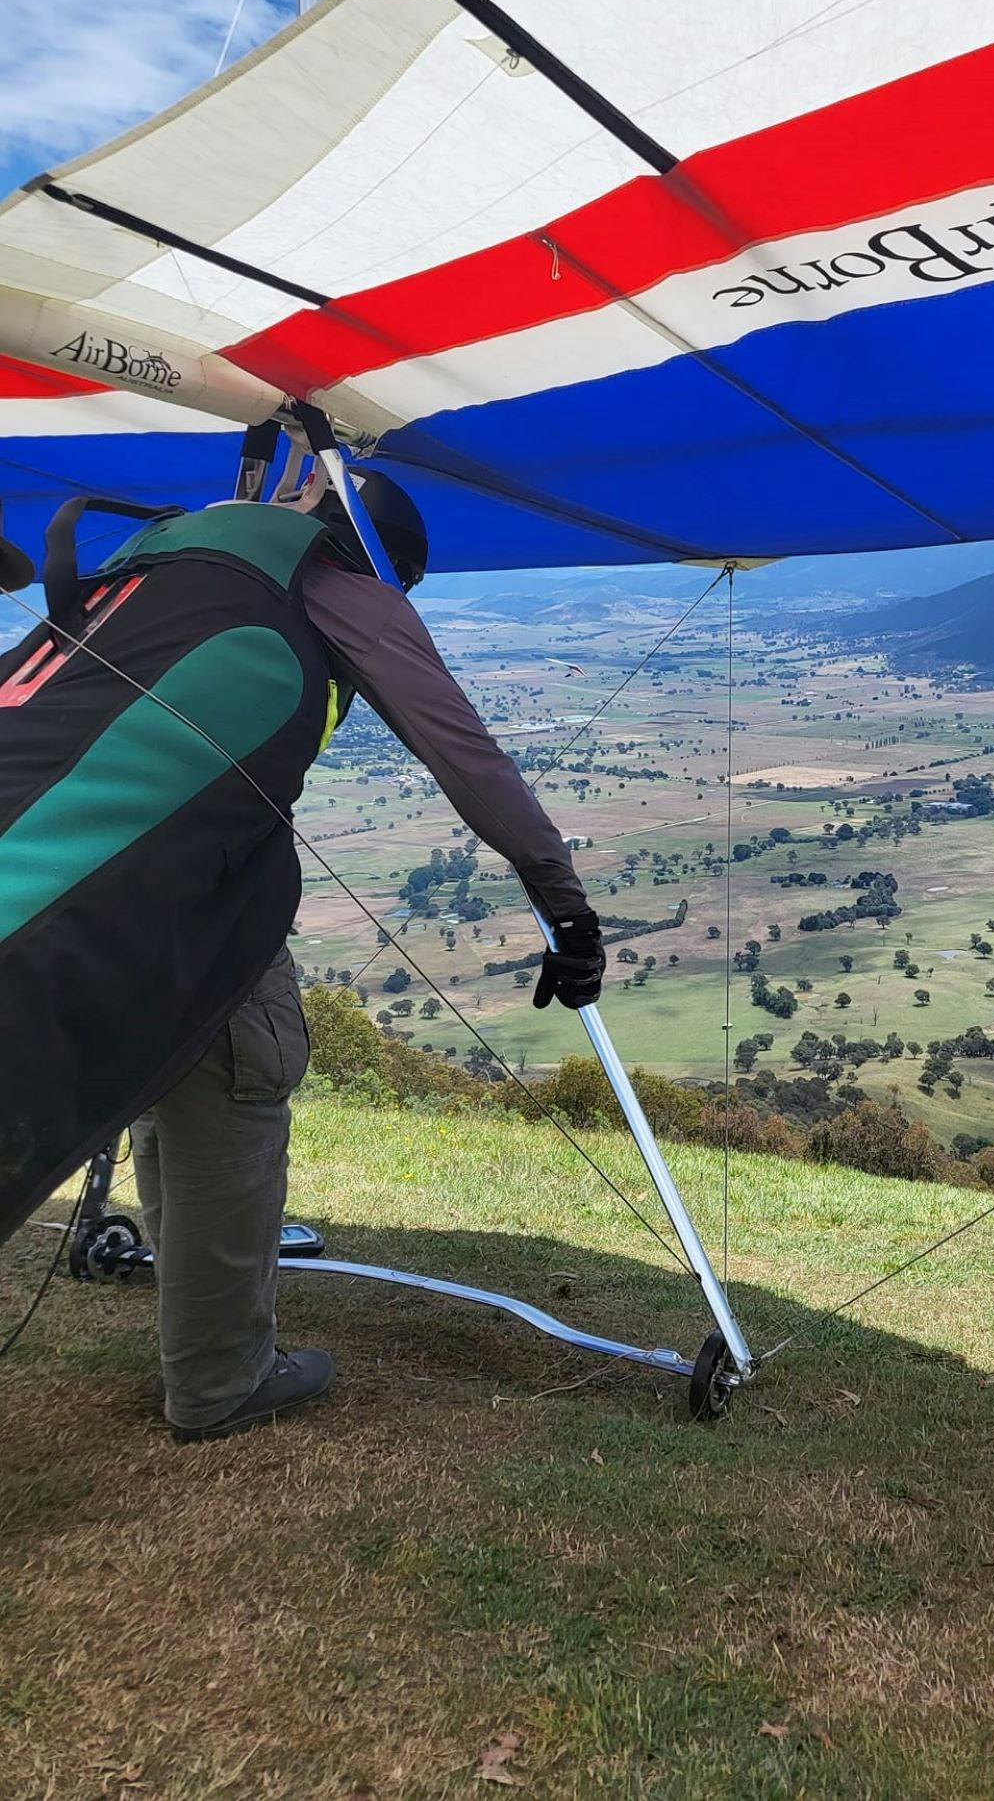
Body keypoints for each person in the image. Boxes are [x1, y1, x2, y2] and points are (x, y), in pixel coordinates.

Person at [0, 468, 604, 1442]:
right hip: (81, 912)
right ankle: (219, 1377)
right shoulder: (330, 579)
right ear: (375, 560)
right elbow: (468, 755)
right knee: (241, 1071)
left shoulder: (162, 551)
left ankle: (217, 1364)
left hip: (140, 896)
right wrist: (567, 914)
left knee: (216, 1059)